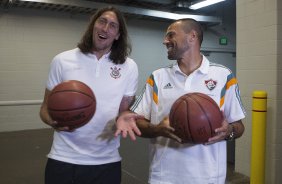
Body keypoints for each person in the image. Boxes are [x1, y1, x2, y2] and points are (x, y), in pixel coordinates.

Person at [115, 18, 246, 184]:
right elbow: (138, 122)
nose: (165, 41)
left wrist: (229, 131)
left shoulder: (223, 76)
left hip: (209, 178)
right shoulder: (157, 77)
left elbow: (239, 126)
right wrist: (157, 129)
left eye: (171, 35)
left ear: (192, 37)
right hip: (163, 177)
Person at [39, 6, 139, 184]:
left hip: (107, 161)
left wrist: (124, 117)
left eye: (113, 25)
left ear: (117, 35)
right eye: (102, 21)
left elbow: (124, 111)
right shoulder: (62, 60)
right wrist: (52, 121)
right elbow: (45, 109)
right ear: (93, 26)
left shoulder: (129, 66)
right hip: (63, 158)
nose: (105, 28)